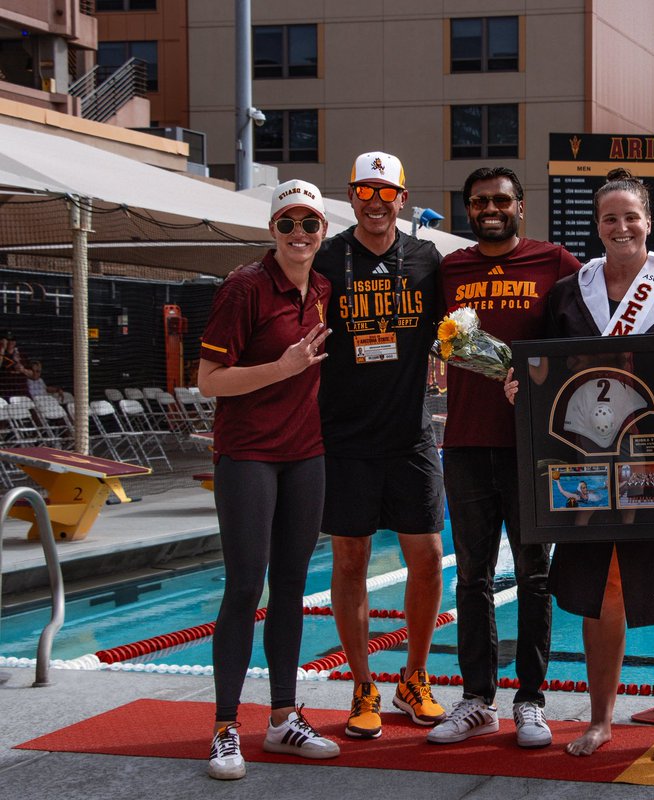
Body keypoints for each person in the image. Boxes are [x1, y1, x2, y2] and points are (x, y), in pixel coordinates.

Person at [506, 168, 654, 762]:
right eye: (610, 217)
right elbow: (544, 370)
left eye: (631, 216)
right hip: (584, 467)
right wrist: (521, 389)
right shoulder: (567, 292)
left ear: (648, 222)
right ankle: (601, 720)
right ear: (597, 226)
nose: (621, 226)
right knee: (604, 593)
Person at [430, 167, 580, 748]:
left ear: (520, 205)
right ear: (468, 209)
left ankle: (531, 700)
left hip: (532, 446)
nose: (490, 208)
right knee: (471, 578)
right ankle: (476, 699)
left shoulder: (555, 263)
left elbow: (582, 339)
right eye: (479, 201)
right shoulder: (453, 268)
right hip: (466, 442)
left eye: (500, 200)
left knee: (535, 576)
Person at [197, 179, 340, 780]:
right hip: (250, 455)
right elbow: (208, 380)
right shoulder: (244, 288)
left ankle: (283, 718)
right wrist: (279, 368)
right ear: (272, 230)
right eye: (288, 224)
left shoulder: (325, 288)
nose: (300, 235)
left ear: (322, 232)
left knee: (292, 587)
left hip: (305, 455)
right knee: (243, 587)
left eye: (310, 225)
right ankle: (225, 729)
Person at [313, 152, 447, 740]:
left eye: (384, 192)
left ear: (402, 196)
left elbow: (456, 334)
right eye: (363, 191)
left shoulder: (425, 258)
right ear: (350, 197)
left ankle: (414, 676)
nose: (374, 201)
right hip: (344, 437)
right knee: (350, 560)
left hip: (411, 434)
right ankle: (363, 683)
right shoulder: (324, 260)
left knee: (425, 556)